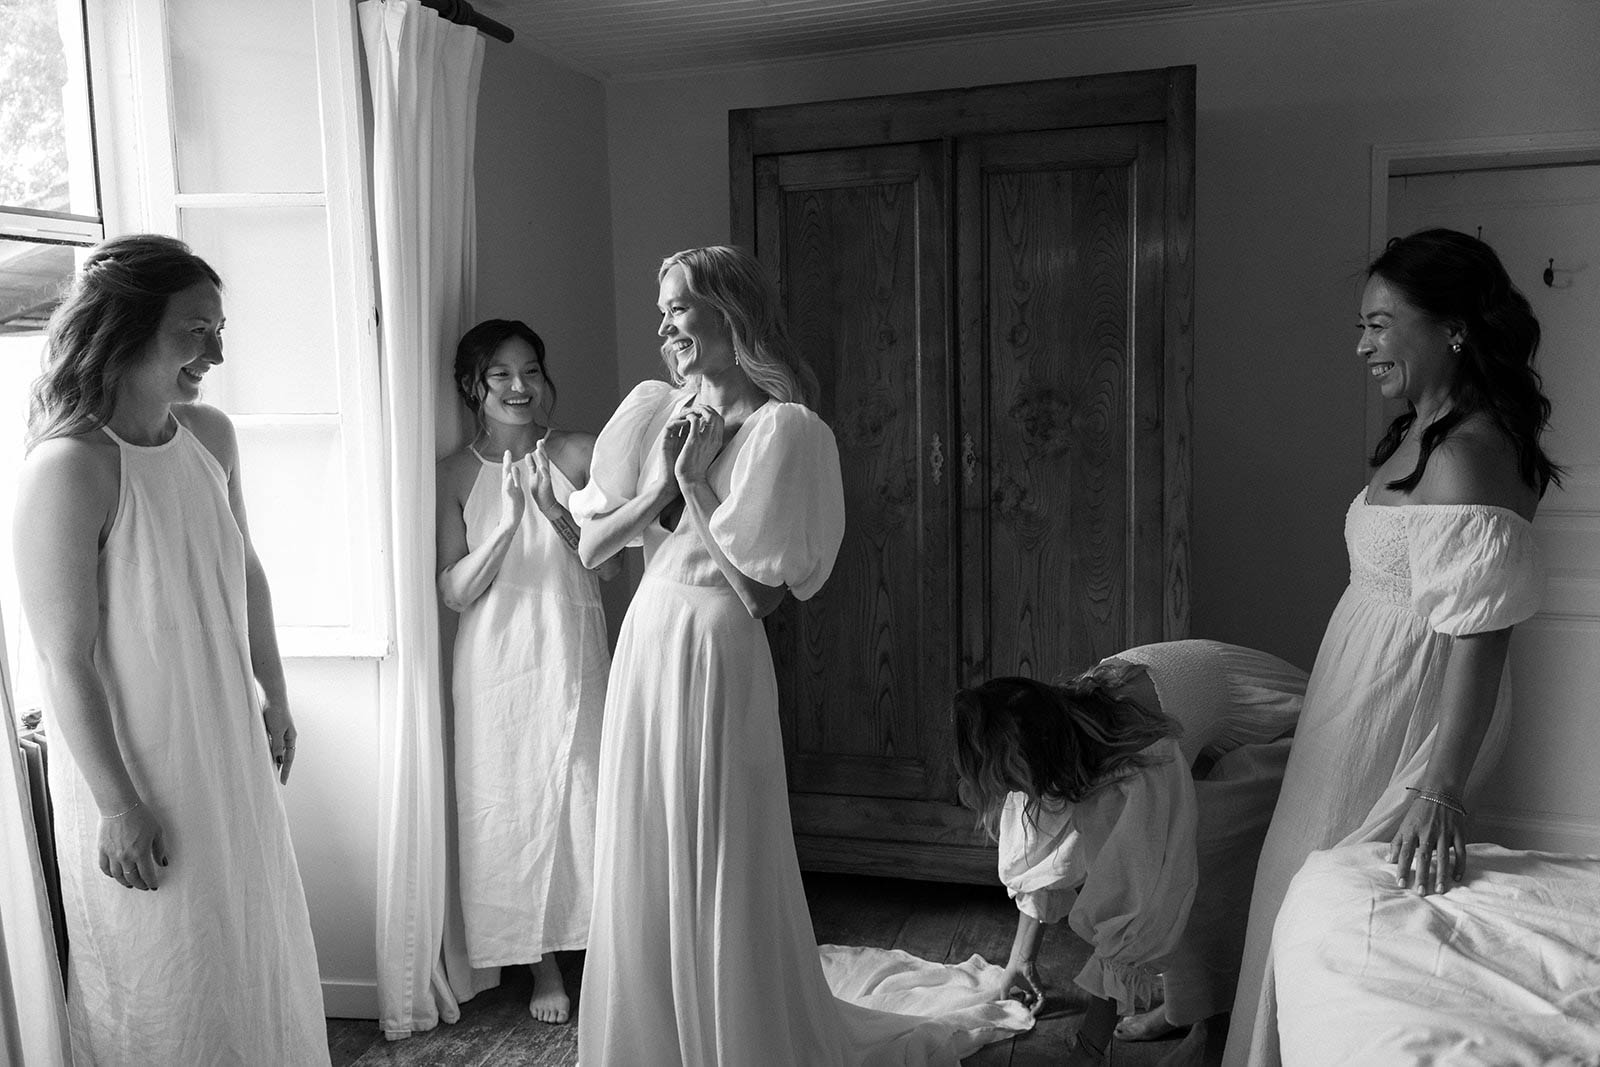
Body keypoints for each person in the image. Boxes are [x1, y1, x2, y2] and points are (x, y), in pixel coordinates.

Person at [571, 246, 1027, 1065]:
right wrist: (665, 482)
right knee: (645, 842)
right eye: (662, 311)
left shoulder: (787, 430)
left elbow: (761, 595)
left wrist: (702, 482)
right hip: (648, 638)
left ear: (731, 313)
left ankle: (730, 1029)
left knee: (717, 846)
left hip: (715, 651)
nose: (667, 326)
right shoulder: (652, 408)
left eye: (681, 307)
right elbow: (595, 547)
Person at [1224, 229, 1557, 1066]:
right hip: (1360, 697)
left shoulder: (1470, 455)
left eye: (1379, 323)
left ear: (1451, 328)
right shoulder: (1425, 430)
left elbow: (1480, 635)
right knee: (1294, 890)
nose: (1362, 344)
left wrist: (1440, 787)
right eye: (1361, 326)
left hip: (1409, 711)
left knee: (1332, 904)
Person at [12, 234, 328, 1063]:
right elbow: (64, 659)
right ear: (128, 326)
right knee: (167, 969)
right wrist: (118, 804)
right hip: (141, 763)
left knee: (249, 943)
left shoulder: (211, 437)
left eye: (219, 328)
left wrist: (276, 690)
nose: (217, 352)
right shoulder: (69, 468)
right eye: (197, 329)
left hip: (225, 739)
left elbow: (246, 568)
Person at [954, 641, 1307, 1066]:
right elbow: (1047, 851)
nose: (1010, 793)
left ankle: (1212, 1030)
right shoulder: (1056, 722)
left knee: (1193, 863)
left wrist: (1088, 1048)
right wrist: (1021, 959)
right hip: (1211, 734)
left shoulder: (1135, 758)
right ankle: (1182, 1008)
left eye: (1010, 781)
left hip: (1290, 728)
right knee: (1182, 843)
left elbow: (1138, 907)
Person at [436, 318, 616, 1023]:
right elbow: (452, 589)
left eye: (531, 370)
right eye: (502, 374)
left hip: (569, 646)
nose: (520, 385)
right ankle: (540, 962)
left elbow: (610, 556)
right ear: (472, 387)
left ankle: (609, 950)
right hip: (494, 665)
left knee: (586, 795)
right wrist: (508, 524)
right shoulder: (452, 472)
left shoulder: (576, 450)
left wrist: (549, 507)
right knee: (509, 803)